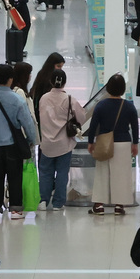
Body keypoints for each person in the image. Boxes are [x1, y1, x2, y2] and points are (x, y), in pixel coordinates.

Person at [0, 64, 36, 219]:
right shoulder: (17, 100)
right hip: (12, 145)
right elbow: (27, 123)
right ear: (11, 79)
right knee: (15, 176)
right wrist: (31, 140)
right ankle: (16, 209)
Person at [85, 75, 139, 216]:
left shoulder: (101, 105)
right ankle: (119, 206)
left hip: (104, 143)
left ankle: (99, 206)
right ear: (123, 89)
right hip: (123, 143)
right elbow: (135, 126)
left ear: (108, 88)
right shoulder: (129, 106)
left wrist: (91, 142)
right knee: (121, 175)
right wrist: (135, 144)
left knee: (102, 173)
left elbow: (93, 125)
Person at [35, 69, 86, 211]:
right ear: (64, 82)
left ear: (51, 81)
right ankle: (58, 203)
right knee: (62, 172)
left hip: (46, 143)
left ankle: (43, 201)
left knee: (45, 172)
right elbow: (81, 117)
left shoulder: (43, 98)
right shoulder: (69, 99)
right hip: (64, 143)